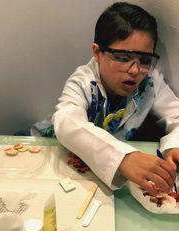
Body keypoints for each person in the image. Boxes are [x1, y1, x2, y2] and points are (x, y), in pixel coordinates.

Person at [51, 2, 179, 196]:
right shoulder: (83, 81)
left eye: (144, 60)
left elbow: (176, 115)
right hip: (72, 175)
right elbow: (66, 121)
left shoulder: (150, 82)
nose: (135, 70)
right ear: (97, 53)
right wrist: (124, 158)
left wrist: (174, 146)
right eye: (122, 57)